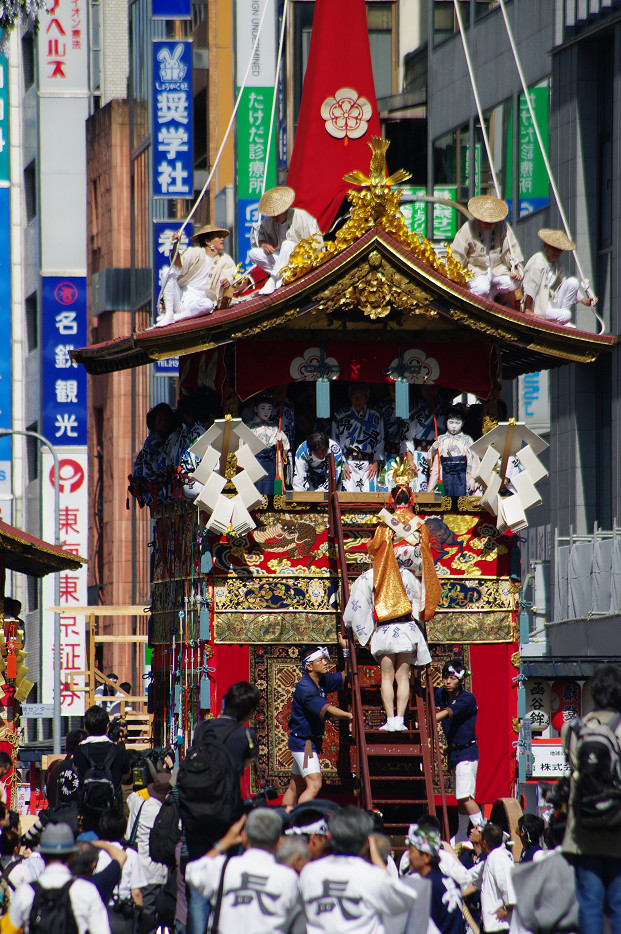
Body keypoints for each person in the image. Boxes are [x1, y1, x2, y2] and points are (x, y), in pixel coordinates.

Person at [344, 469, 440, 731]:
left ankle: (391, 720)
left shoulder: (385, 526)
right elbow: (426, 550)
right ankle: (401, 720)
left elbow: (375, 547)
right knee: (404, 677)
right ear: (410, 497)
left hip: (386, 629)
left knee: (386, 676)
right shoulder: (419, 525)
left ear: (393, 498)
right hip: (408, 628)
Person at [562, 663, 621, 934]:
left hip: (583, 828)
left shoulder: (573, 729)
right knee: (619, 903)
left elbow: (574, 768)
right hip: (617, 824)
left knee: (589, 903)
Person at [299, 806, 420, 932]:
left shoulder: (310, 871)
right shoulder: (371, 874)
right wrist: (378, 860)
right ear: (367, 840)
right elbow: (408, 902)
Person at [185, 810, 302, 934]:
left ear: (244, 837)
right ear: (279, 842)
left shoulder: (224, 867)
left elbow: (193, 871)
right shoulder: (288, 877)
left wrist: (225, 842)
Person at [2, 822, 111, 934]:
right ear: (72, 855)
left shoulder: (26, 892)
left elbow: (7, 931)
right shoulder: (86, 890)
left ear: (42, 855)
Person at [282, 641, 352, 809]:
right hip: (304, 744)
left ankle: (285, 820)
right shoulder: (305, 688)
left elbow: (345, 675)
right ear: (309, 666)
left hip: (304, 740)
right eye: (320, 660)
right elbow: (326, 709)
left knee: (296, 785)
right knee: (314, 785)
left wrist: (346, 651)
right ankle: (302, 822)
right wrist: (349, 716)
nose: (325, 662)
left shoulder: (321, 680)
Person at [435, 658, 484, 843]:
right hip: (454, 753)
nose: (448, 681)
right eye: (446, 677)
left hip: (467, 751)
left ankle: (484, 830)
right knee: (460, 797)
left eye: (453, 678)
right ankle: (463, 833)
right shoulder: (441, 694)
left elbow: (449, 711)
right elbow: (428, 695)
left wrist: (432, 718)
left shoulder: (467, 698)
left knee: (465, 796)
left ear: (461, 680)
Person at [156, 224, 237, 326]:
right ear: (208, 241)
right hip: (180, 297)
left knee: (208, 305)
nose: (222, 239)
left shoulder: (225, 260)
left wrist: (226, 283)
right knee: (166, 271)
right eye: (218, 236)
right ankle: (169, 314)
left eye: (222, 237)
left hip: (198, 304)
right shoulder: (195, 252)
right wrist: (175, 245)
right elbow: (177, 265)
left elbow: (228, 281)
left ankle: (176, 317)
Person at [451, 195, 523, 308]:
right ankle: (476, 306)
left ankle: (495, 297)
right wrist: (455, 274)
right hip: (476, 269)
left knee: (513, 283)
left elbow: (510, 250)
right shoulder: (468, 228)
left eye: (491, 222)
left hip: (496, 268)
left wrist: (515, 268)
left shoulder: (503, 226)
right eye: (485, 221)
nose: (488, 224)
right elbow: (458, 253)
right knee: (482, 289)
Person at [249, 186, 323, 295]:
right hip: (283, 262)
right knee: (253, 253)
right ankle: (282, 275)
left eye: (277, 214)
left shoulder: (301, 216)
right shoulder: (269, 223)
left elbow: (317, 242)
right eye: (272, 215)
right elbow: (261, 236)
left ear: (285, 209)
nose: (275, 217)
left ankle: (274, 279)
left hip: (302, 259)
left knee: (287, 244)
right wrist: (264, 244)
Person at [522, 227, 598, 327]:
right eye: (554, 248)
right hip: (538, 306)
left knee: (573, 281)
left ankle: (561, 321)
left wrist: (585, 301)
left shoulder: (556, 264)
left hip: (550, 303)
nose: (556, 252)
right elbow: (531, 284)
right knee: (566, 315)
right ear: (546, 245)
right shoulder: (538, 259)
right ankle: (559, 321)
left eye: (559, 250)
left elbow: (567, 281)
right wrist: (527, 310)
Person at [73, 706, 131, 833]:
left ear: (85, 727)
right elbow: (126, 775)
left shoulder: (79, 750)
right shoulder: (119, 751)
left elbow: (76, 770)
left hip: (88, 813)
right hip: (113, 814)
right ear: (107, 726)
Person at [403, 822, 464, 934]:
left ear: (426, 856)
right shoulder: (451, 881)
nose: (408, 856)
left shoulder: (425, 887)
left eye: (411, 851)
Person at [462, 823, 516, 934]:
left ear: (484, 843)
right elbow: (467, 875)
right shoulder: (490, 859)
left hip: (500, 926)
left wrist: (507, 910)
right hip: (490, 926)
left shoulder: (499, 859)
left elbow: (511, 888)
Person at [331, 384, 384, 493]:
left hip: (368, 463)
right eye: (355, 396)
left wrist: (375, 461)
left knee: (370, 498)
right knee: (347, 497)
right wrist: (341, 463)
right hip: (348, 463)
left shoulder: (375, 415)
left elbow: (381, 439)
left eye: (362, 396)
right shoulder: (340, 415)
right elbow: (334, 442)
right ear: (350, 397)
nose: (358, 400)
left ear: (367, 398)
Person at [428, 404, 480, 496]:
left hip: (462, 478)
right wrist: (432, 449)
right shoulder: (441, 439)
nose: (454, 426)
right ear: (446, 422)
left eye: (457, 423)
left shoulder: (467, 440)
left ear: (463, 423)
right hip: (443, 476)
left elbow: (474, 462)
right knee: (439, 501)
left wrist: (473, 478)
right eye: (451, 422)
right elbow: (434, 463)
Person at [246, 396, 290, 496]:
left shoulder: (275, 427)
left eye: (269, 409)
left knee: (271, 490)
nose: (266, 412)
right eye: (263, 408)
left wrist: (281, 441)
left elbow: (285, 449)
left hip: (271, 462)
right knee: (257, 490)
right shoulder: (248, 427)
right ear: (255, 408)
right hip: (256, 462)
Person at [46, 729, 87, 808]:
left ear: (66, 746)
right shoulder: (82, 766)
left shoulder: (54, 766)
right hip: (73, 815)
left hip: (55, 815)